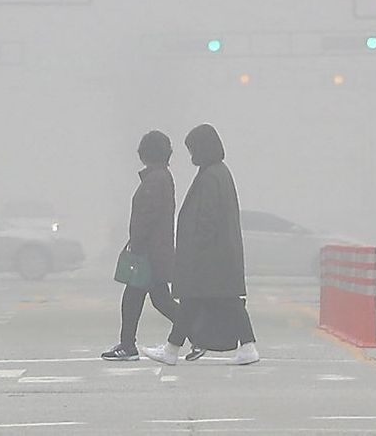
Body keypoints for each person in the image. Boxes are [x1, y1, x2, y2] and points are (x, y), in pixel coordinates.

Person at [140, 124, 259, 366]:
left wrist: (194, 251)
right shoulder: (218, 173)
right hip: (218, 255)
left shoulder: (211, 176)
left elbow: (207, 219)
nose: (191, 154)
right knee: (213, 301)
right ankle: (245, 347)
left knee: (198, 300)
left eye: (193, 149)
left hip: (209, 256)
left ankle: (173, 350)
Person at [101, 131, 180, 361]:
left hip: (148, 253)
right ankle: (197, 333)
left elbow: (145, 218)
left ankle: (128, 346)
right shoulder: (161, 177)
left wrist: (135, 246)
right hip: (156, 251)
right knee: (160, 300)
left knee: (135, 298)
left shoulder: (155, 180)